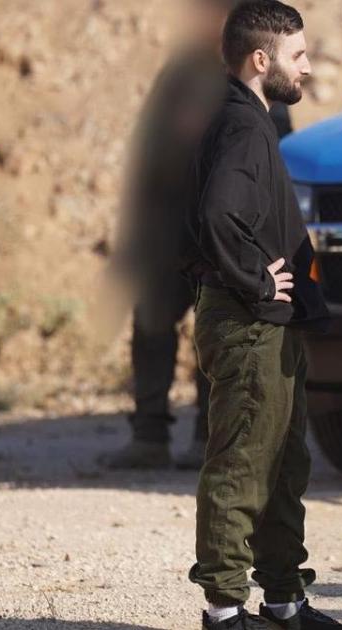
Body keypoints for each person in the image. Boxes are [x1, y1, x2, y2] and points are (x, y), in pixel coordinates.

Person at [182, 2, 342, 629]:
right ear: (261, 59)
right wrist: (257, 280)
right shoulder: (242, 126)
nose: (306, 68)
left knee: (282, 464)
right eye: (297, 55)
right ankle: (225, 612)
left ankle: (284, 604)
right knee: (243, 465)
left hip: (264, 322)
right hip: (249, 322)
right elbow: (218, 214)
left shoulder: (245, 117)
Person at [103, 0, 239, 471]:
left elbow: (266, 150)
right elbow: (148, 152)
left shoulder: (252, 74)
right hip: (166, 228)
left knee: (213, 332)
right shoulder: (179, 74)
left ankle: (206, 438)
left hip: (217, 233)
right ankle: (149, 436)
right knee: (152, 324)